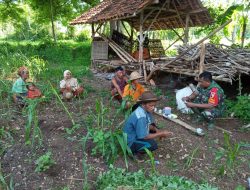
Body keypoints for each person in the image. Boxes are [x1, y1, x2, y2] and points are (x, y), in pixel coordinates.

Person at [123, 91, 173, 156]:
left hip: (133, 134)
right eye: (150, 105)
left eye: (154, 105)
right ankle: (134, 152)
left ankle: (138, 145)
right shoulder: (141, 117)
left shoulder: (143, 110)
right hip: (130, 142)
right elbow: (145, 136)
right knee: (152, 145)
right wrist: (161, 133)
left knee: (153, 128)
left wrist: (156, 130)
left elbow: (148, 125)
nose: (153, 107)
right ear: (143, 104)